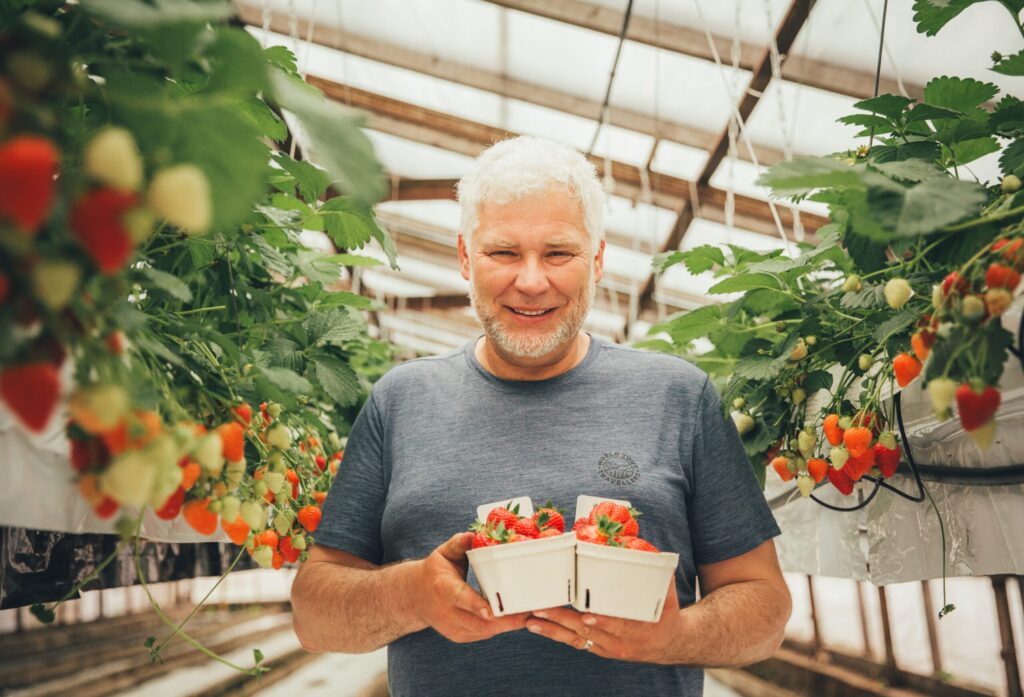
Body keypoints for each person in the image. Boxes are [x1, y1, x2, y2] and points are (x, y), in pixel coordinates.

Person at [291, 136, 792, 696]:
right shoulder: (401, 401)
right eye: (503, 253)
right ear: (464, 256)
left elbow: (765, 606)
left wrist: (674, 635)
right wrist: (412, 595)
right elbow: (314, 614)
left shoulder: (678, 397)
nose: (531, 281)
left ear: (597, 259)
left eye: (558, 253)